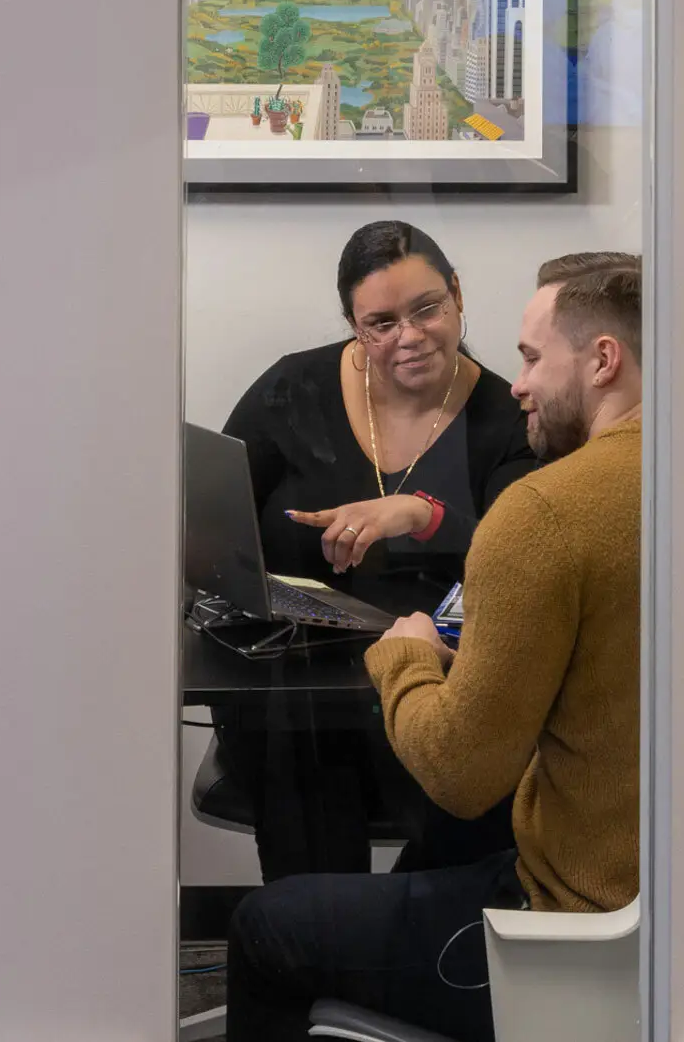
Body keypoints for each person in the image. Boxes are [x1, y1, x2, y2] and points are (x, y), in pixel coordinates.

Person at [226, 252, 643, 1042]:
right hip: (682, 909)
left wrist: (406, 653)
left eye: (529, 358)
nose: (515, 382)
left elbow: (460, 773)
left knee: (266, 925)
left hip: (567, 922)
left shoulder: (547, 507)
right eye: (380, 323)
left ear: (601, 359)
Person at [216, 221, 537, 881]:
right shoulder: (291, 391)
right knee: (298, 765)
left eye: (426, 309)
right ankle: (314, 939)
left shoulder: (508, 419)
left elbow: (525, 555)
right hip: (294, 693)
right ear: (353, 325)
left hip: (441, 696)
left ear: (457, 294)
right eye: (380, 323)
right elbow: (214, 529)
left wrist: (420, 513)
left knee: (450, 839)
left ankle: (398, 945)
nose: (409, 337)